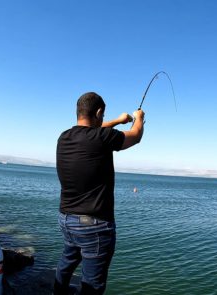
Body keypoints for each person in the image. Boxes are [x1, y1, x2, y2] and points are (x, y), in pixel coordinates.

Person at [54, 92, 145, 294]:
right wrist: (138, 118)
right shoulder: (101, 138)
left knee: (66, 264)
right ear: (99, 112)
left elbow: (94, 132)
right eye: (103, 116)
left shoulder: (64, 137)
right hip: (94, 227)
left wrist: (118, 121)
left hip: (66, 220)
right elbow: (136, 136)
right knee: (92, 285)